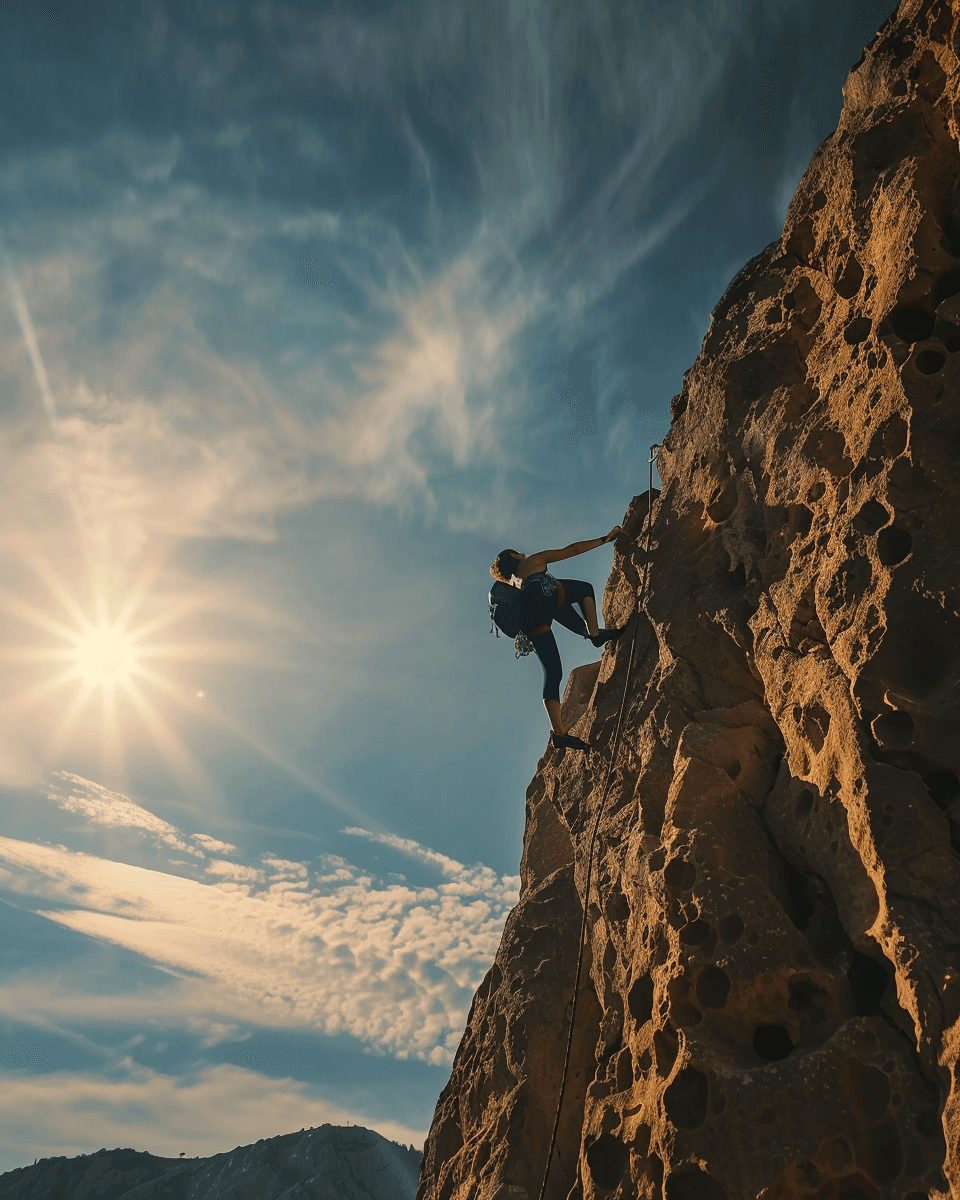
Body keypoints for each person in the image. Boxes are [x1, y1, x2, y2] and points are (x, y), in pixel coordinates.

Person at [489, 526, 623, 751]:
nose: (522, 553)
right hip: (545, 598)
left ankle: (560, 734)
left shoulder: (511, 584)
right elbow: (570, 550)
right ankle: (594, 633)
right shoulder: (531, 562)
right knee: (583, 589)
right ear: (512, 556)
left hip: (532, 623)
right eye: (517, 551)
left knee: (553, 673)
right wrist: (604, 539)